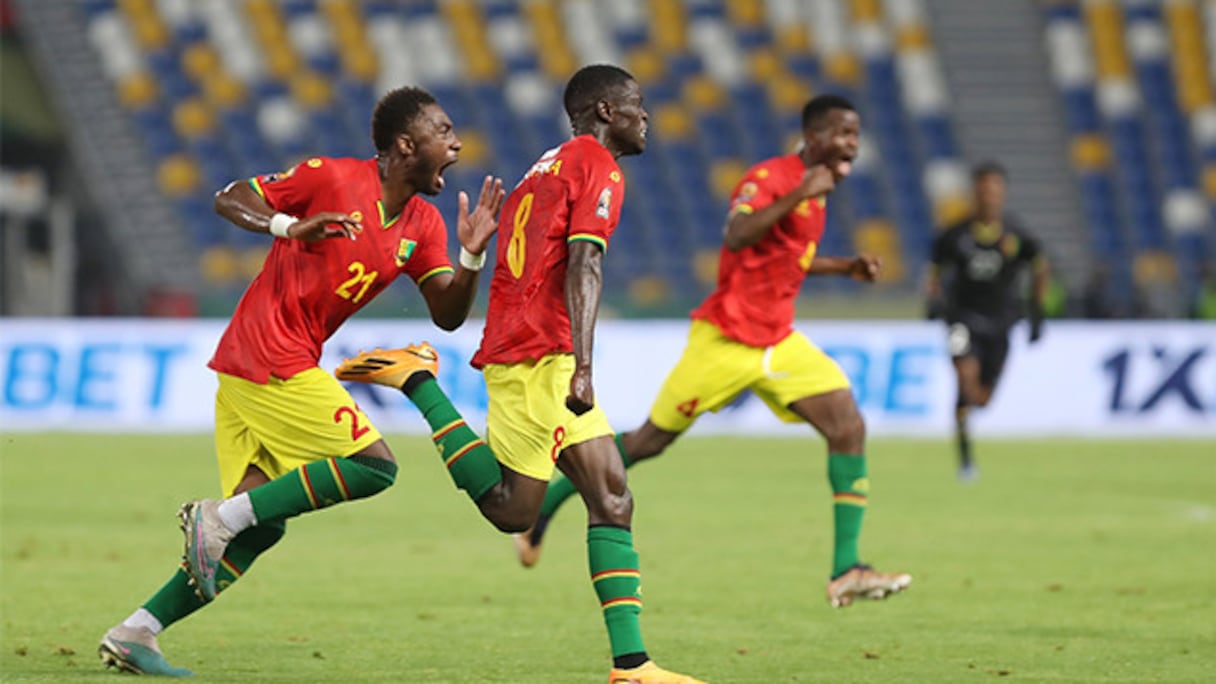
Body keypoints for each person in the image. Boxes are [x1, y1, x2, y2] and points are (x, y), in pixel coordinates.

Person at [97, 86, 505, 676]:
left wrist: (470, 259)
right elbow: (229, 197)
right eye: (444, 132)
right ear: (406, 144)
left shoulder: (422, 222)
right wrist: (288, 227)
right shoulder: (332, 178)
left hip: (262, 363)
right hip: (269, 353)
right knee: (374, 466)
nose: (457, 143)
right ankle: (216, 518)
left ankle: (137, 630)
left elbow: (447, 313)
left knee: (260, 528)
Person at [336, 65, 703, 684]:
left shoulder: (550, 163)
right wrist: (583, 367)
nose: (647, 117)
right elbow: (584, 262)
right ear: (606, 112)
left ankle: (632, 667)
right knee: (513, 511)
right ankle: (419, 383)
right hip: (538, 357)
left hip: (530, 346)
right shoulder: (596, 165)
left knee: (612, 497)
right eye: (637, 105)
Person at [511, 94, 912, 610]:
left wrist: (844, 268)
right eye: (842, 133)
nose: (851, 144)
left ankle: (846, 569)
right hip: (724, 340)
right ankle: (544, 508)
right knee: (649, 442)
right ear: (813, 138)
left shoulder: (818, 190)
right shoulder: (772, 179)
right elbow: (739, 234)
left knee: (848, 427)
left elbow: (787, 259)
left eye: (855, 135)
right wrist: (799, 194)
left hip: (778, 339)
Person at [926, 161, 1047, 482]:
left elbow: (1039, 265)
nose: (989, 196)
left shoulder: (1016, 235)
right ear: (975, 193)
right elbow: (935, 270)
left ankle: (965, 416)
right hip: (961, 319)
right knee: (965, 379)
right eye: (983, 189)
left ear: (1002, 194)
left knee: (982, 399)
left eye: (995, 190)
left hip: (1001, 323)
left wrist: (1037, 309)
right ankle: (965, 459)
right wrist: (934, 300)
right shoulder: (954, 235)